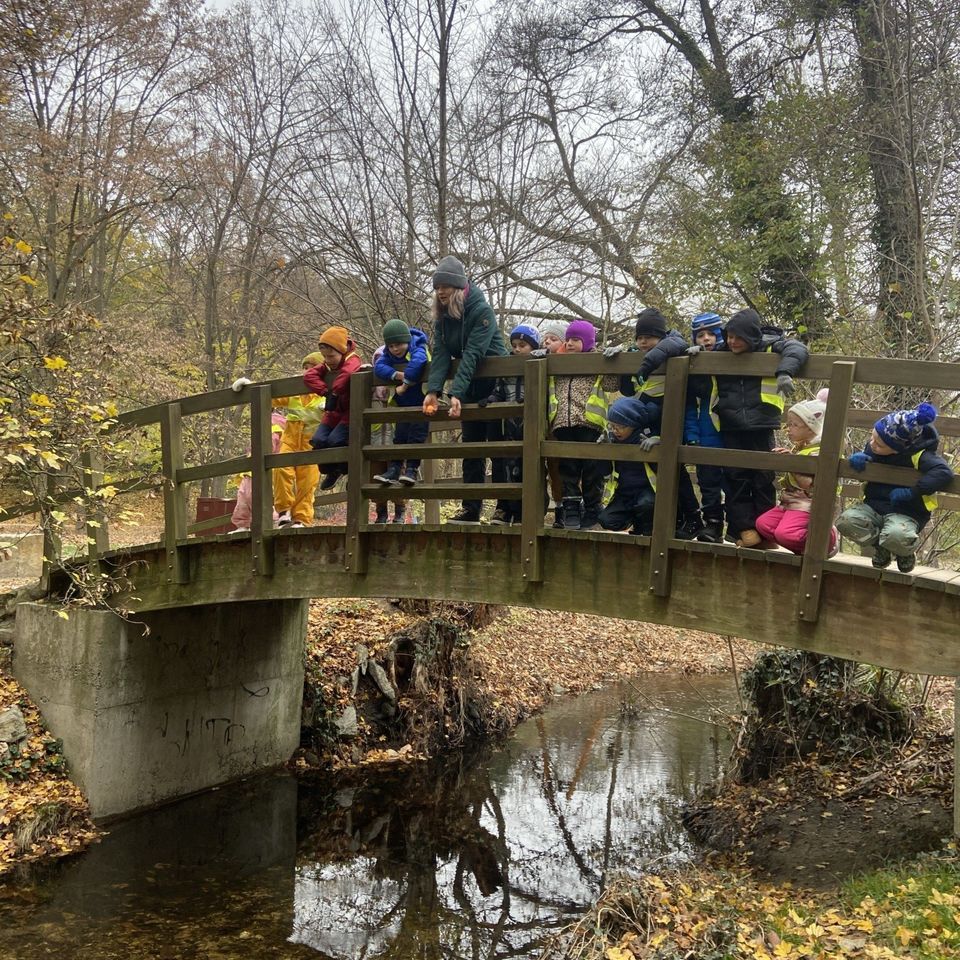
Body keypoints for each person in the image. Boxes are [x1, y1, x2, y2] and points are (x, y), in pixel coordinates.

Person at [705, 308, 808, 547]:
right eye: (729, 336)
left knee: (763, 478)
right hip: (731, 424)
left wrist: (785, 371)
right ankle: (746, 529)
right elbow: (700, 352)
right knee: (735, 478)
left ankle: (765, 530)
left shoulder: (770, 346)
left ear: (751, 337)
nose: (731, 341)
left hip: (762, 424)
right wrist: (693, 352)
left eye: (737, 337)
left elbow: (798, 349)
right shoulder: (722, 352)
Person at [422, 255, 510, 524]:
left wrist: (455, 392)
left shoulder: (481, 310)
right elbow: (440, 354)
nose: (441, 291)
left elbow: (473, 353)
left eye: (446, 286)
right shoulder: (443, 316)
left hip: (494, 387)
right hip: (469, 386)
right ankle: (470, 508)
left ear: (459, 287)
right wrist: (434, 390)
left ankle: (503, 508)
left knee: (497, 449)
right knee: (471, 449)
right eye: (437, 287)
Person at [611, 307, 703, 538]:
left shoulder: (673, 344)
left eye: (649, 337)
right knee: (656, 471)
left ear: (660, 336)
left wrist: (645, 362)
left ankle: (693, 518)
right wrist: (622, 361)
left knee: (677, 472)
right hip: (649, 418)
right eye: (639, 338)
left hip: (670, 417)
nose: (643, 343)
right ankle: (666, 520)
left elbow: (674, 345)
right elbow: (628, 389)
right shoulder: (639, 353)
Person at [837, 402, 954, 572]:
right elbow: (870, 454)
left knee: (896, 536)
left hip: (906, 512)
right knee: (845, 522)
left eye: (879, 443)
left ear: (898, 448)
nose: (872, 444)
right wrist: (862, 457)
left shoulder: (921, 455)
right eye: (872, 437)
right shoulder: (875, 448)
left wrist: (912, 492)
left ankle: (905, 552)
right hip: (873, 507)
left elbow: (944, 473)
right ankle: (882, 547)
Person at [548, 319, 619, 530]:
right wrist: (542, 354)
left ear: (587, 343)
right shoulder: (558, 362)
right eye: (568, 339)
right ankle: (571, 509)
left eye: (576, 340)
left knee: (592, 469)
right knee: (567, 469)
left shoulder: (595, 362)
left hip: (589, 424)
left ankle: (592, 508)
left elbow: (611, 384)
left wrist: (612, 361)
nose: (569, 344)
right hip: (563, 423)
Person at [754, 390, 837, 555]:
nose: (788, 429)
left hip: (807, 504)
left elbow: (809, 485)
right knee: (763, 524)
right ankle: (805, 547)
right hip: (789, 502)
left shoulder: (820, 451)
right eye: (789, 424)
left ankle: (827, 540)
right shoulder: (802, 446)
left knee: (784, 534)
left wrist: (791, 462)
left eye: (794, 425)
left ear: (812, 428)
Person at [489, 324, 540, 524]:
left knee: (527, 467)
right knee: (504, 467)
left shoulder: (538, 363)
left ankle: (523, 512)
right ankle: (503, 508)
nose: (517, 349)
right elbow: (499, 389)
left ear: (532, 347)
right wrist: (493, 398)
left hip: (530, 425)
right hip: (509, 425)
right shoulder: (507, 367)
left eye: (523, 345)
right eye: (515, 345)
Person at [303, 326, 364, 490]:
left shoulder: (353, 359)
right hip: (334, 412)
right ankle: (330, 471)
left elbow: (347, 373)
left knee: (335, 440)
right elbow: (309, 375)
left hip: (350, 412)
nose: (328, 360)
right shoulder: (327, 364)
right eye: (324, 356)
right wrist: (324, 391)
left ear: (341, 351)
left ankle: (345, 468)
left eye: (331, 356)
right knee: (318, 441)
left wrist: (335, 392)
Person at [372, 319, 430, 488]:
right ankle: (394, 469)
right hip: (403, 405)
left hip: (422, 402)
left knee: (416, 436)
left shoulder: (418, 347)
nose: (395, 349)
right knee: (400, 437)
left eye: (398, 344)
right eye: (390, 346)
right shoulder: (389, 355)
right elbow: (379, 367)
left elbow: (419, 362)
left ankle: (411, 469)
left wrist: (405, 384)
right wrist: (397, 375)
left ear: (407, 340)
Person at [685, 312, 726, 543]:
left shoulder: (731, 359)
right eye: (700, 335)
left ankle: (738, 527)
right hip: (705, 434)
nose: (706, 339)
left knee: (733, 482)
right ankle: (713, 525)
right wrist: (692, 434)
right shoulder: (693, 367)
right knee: (708, 483)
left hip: (729, 435)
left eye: (712, 334)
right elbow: (690, 406)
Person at [271, 354, 326, 526]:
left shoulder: (324, 393)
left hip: (312, 444)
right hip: (291, 439)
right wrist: (249, 387)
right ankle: (283, 510)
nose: (307, 370)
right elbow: (271, 396)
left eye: (312, 367)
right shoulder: (295, 390)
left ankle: (301, 519)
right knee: (281, 470)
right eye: (305, 367)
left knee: (307, 482)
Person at [598, 397, 661, 535]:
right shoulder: (612, 440)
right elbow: (605, 471)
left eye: (621, 427)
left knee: (646, 505)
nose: (616, 431)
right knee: (606, 520)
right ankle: (632, 519)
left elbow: (663, 455)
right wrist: (604, 450)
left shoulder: (646, 436)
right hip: (625, 493)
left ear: (633, 424)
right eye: (612, 426)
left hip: (646, 490)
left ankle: (645, 530)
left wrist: (657, 442)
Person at [230, 410, 286, 531]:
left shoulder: (272, 422)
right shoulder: (264, 421)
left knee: (253, 496)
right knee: (243, 497)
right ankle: (242, 524)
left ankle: (271, 520)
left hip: (260, 467)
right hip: (251, 468)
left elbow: (270, 443)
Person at [369, 344, 407, 524]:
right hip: (375, 440)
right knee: (375, 475)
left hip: (395, 438)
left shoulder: (398, 387)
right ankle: (381, 512)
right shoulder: (368, 388)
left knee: (398, 474)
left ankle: (400, 511)